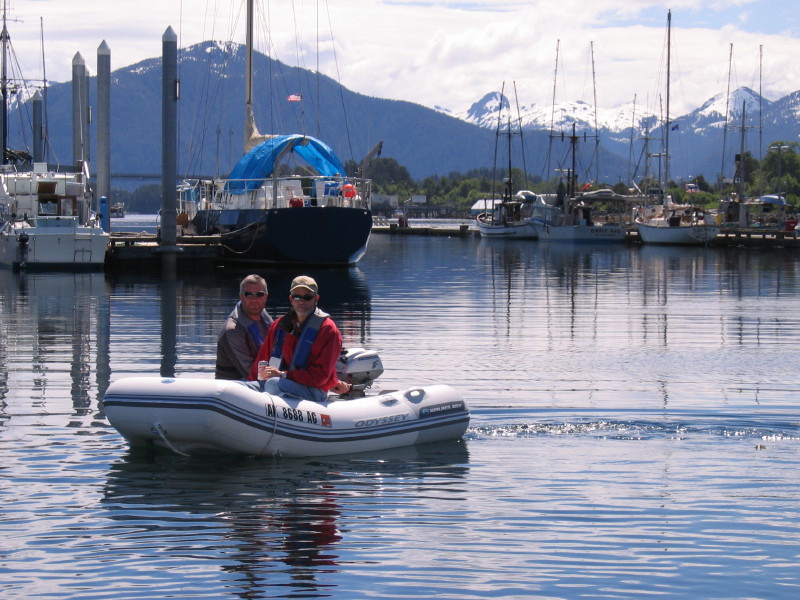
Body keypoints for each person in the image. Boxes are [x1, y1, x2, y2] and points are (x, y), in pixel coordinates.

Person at [248, 275, 351, 402]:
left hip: (313, 390)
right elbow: (260, 362)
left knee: (273, 384)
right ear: (291, 299)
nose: (302, 301)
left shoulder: (328, 330)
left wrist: (283, 375)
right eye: (297, 297)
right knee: (242, 387)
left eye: (307, 297)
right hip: (279, 383)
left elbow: (321, 377)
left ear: (316, 299)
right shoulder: (279, 325)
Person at [215, 274, 273, 380]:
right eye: (248, 294)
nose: (254, 299)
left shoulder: (265, 318)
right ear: (241, 296)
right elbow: (251, 373)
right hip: (235, 388)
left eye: (259, 294)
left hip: (258, 381)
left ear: (266, 296)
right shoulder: (232, 330)